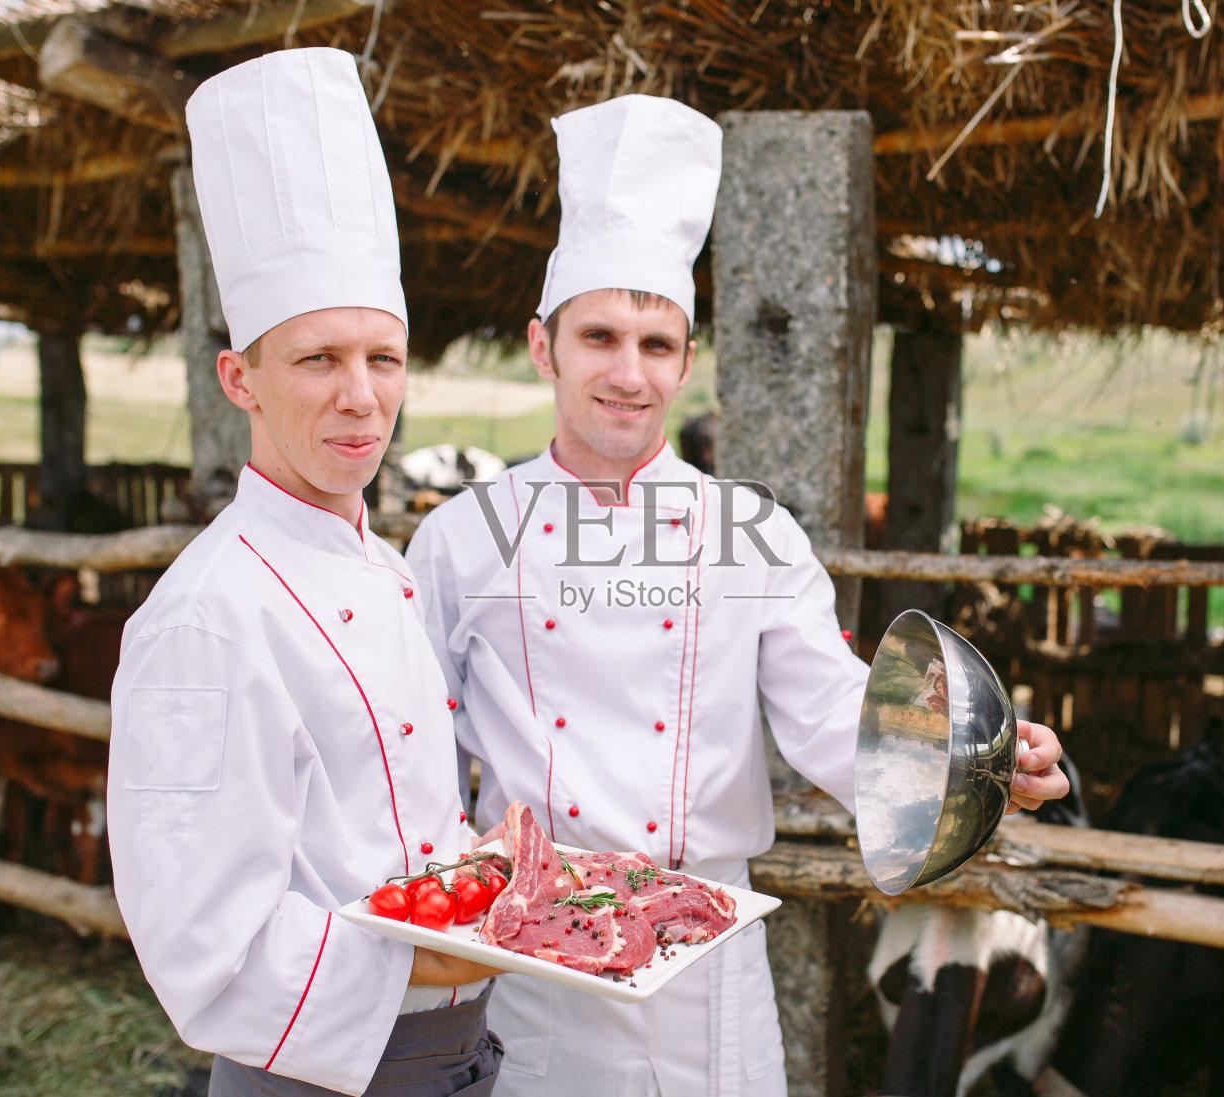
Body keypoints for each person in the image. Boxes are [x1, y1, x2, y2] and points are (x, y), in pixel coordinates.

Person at [405, 94, 1070, 1097]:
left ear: (685, 359)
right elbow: (409, 758)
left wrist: (970, 758)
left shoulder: (750, 532)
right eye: (599, 338)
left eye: (657, 343)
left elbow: (827, 707)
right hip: (535, 969)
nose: (628, 373)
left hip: (710, 975)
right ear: (543, 347)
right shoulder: (458, 540)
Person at [106, 49, 503, 1097]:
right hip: (323, 1074)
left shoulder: (385, 566)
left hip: (452, 1056)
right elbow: (204, 943)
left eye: (382, 357)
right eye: (317, 359)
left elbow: (383, 832)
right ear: (241, 376)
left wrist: (484, 870)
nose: (360, 397)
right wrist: (446, 953)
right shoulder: (205, 614)